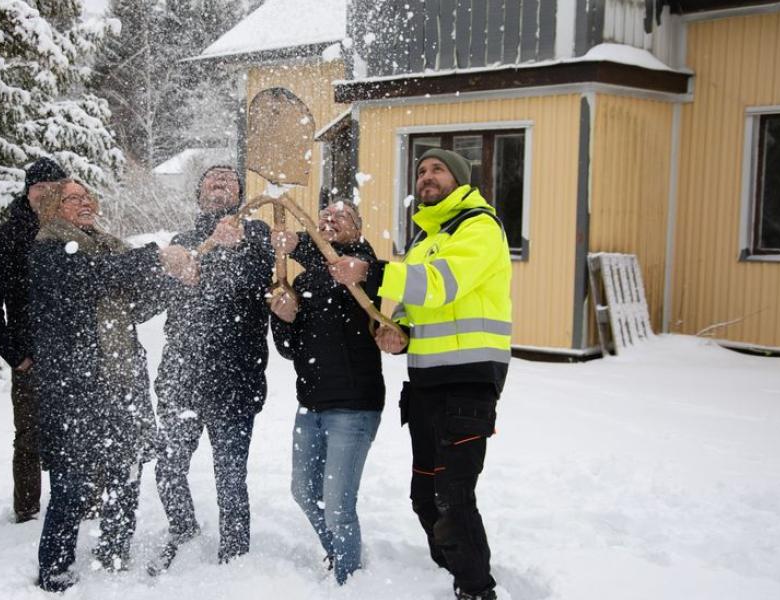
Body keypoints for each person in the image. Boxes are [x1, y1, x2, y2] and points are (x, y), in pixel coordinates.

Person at [329, 148, 512, 600]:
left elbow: (440, 284)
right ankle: (448, 571)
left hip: (468, 383)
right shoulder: (425, 239)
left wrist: (371, 271)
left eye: (438, 169)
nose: (427, 176)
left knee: (453, 498)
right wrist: (402, 333)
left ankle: (475, 589)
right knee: (425, 497)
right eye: (421, 170)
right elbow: (416, 305)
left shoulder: (479, 228)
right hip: (427, 384)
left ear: (461, 179)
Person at [29, 179, 195, 592]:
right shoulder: (49, 249)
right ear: (53, 207)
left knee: (126, 471)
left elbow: (136, 305)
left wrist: (175, 282)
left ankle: (115, 551)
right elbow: (92, 278)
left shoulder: (109, 247)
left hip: (122, 379)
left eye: (88, 196)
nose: (85, 202)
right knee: (71, 481)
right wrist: (157, 255)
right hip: (75, 385)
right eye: (73, 198)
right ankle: (54, 569)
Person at [149, 165, 274, 573]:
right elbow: (159, 298)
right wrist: (177, 276)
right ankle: (183, 531)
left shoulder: (258, 238)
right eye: (212, 178)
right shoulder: (182, 242)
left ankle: (234, 556)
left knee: (231, 476)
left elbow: (259, 286)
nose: (220, 182)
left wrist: (235, 248)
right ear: (199, 191)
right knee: (169, 468)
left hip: (235, 378)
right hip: (181, 376)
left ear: (239, 193)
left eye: (229, 179)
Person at [268, 200, 385, 585]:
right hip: (311, 405)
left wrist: (300, 239)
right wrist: (283, 319)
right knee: (303, 491)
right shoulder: (304, 281)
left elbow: (362, 267)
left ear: (359, 228)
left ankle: (349, 581)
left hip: (353, 407)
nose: (330, 221)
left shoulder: (364, 269)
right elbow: (289, 349)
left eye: (340, 217)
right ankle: (341, 554)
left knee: (338, 505)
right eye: (324, 218)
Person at [0, 157, 67, 523]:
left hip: (72, 353)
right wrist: (15, 354)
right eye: (40, 188)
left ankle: (82, 502)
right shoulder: (6, 238)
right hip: (30, 354)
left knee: (76, 431)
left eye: (55, 188)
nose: (47, 194)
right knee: (29, 436)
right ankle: (27, 510)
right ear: (28, 191)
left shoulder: (75, 232)